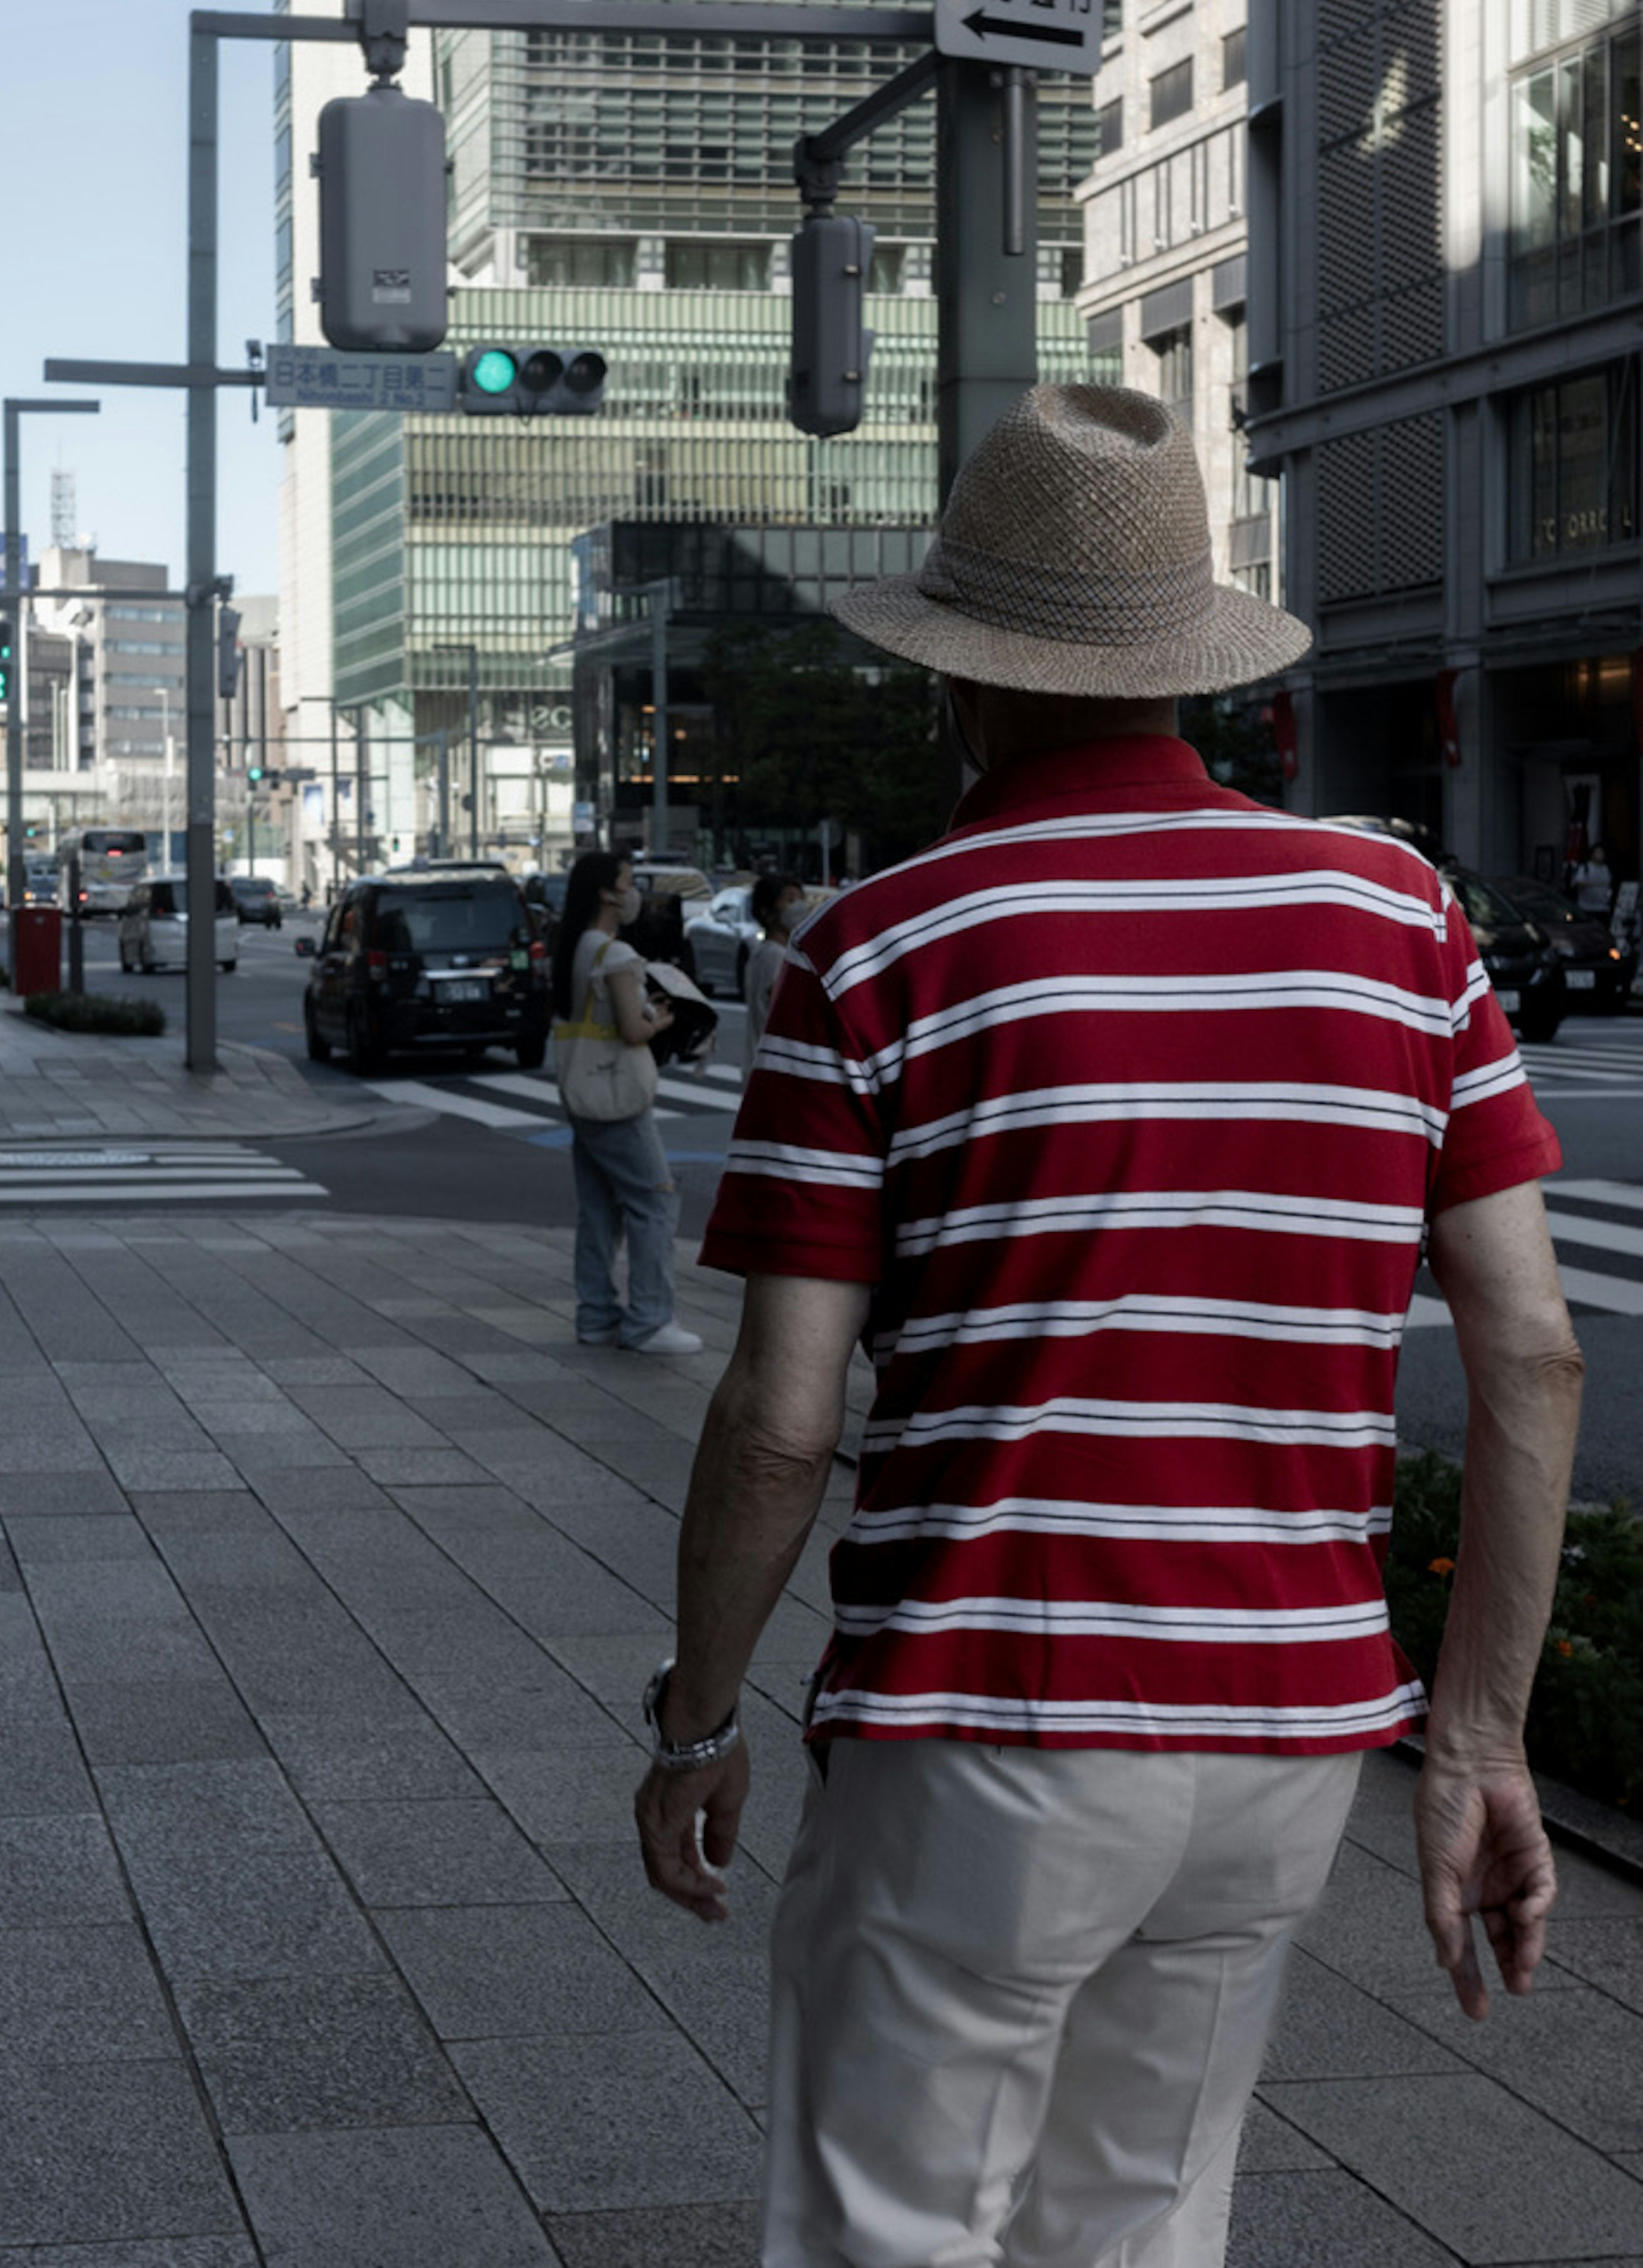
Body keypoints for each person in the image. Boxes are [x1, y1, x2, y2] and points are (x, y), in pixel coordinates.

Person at [634, 386, 1582, 2268]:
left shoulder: (883, 947)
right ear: (1189, 665)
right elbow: (1533, 1351)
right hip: (1291, 1733)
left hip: (983, 1714)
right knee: (1142, 2225)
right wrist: (1475, 1741)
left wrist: (694, 1717)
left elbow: (779, 1418)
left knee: (890, 2225)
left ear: (957, 682)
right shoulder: (1403, 920)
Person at [550, 850, 702, 1357]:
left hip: (583, 1090)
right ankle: (650, 1320)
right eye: (629, 882)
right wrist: (663, 1021)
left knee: (597, 1208)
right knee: (655, 1200)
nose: (635, 892)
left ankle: (596, 1316)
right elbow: (633, 1030)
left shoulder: (576, 946)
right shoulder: (613, 954)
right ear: (606, 892)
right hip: (618, 1094)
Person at [743, 872, 808, 1067]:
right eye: (790, 900)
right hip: (776, 1065)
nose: (799, 906)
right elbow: (787, 1014)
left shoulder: (764, 952)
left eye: (800, 899)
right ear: (767, 910)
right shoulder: (776, 956)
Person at [1572, 843, 1613, 920]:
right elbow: (1579, 883)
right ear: (1592, 855)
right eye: (1598, 853)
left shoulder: (1606, 869)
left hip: (1603, 908)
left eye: (1602, 853)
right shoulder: (1585, 868)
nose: (1600, 855)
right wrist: (1594, 884)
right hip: (1587, 907)